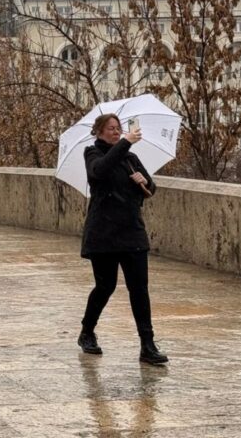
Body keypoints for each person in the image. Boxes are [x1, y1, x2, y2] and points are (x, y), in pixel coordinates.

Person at [78, 113, 167, 365]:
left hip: (131, 231)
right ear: (98, 132)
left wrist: (144, 181)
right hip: (103, 234)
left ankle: (147, 345)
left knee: (139, 289)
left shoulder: (130, 158)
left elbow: (150, 188)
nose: (116, 132)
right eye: (110, 129)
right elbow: (99, 172)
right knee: (105, 286)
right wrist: (125, 143)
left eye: (118, 129)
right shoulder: (92, 154)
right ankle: (87, 331)